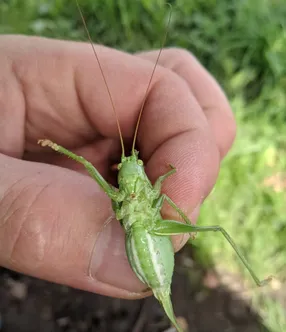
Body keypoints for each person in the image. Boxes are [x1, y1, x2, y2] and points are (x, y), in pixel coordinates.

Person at [0, 35, 236, 299]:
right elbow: (89, 166)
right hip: (144, 233)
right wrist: (56, 149)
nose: (130, 164)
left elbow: (163, 192)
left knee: (217, 228)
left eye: (134, 161)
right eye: (127, 163)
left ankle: (258, 281)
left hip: (152, 230)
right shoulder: (119, 191)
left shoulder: (140, 187)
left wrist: (176, 198)